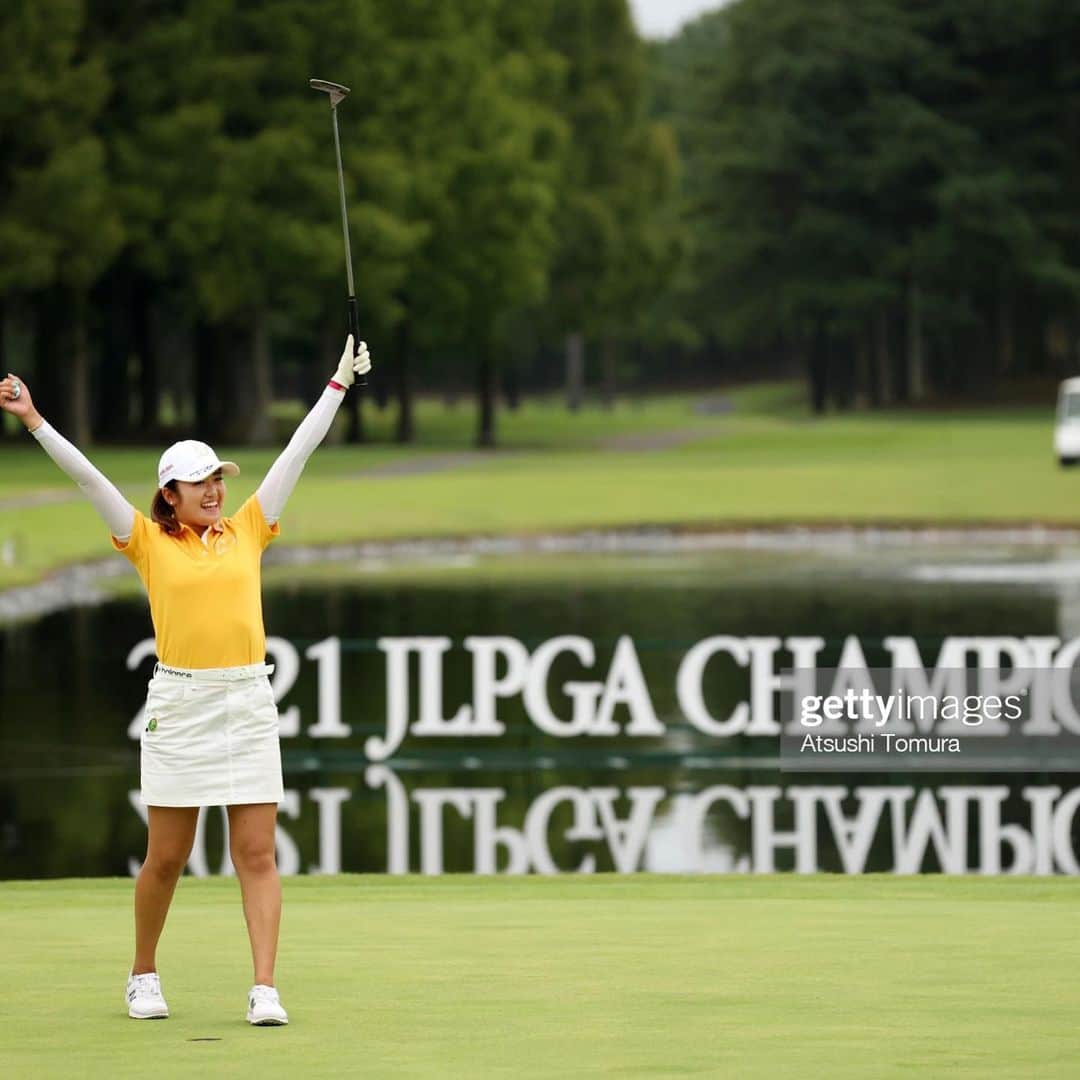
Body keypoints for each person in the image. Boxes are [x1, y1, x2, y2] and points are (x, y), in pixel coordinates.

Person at [0, 335, 372, 1025]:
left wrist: (337, 385)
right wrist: (33, 420)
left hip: (248, 700)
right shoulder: (144, 539)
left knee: (256, 852)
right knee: (167, 857)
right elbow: (90, 482)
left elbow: (298, 452)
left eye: (219, 478)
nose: (215, 489)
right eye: (201, 482)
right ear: (169, 494)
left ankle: (265, 987)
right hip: (179, 703)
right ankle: (142, 974)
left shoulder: (250, 528)